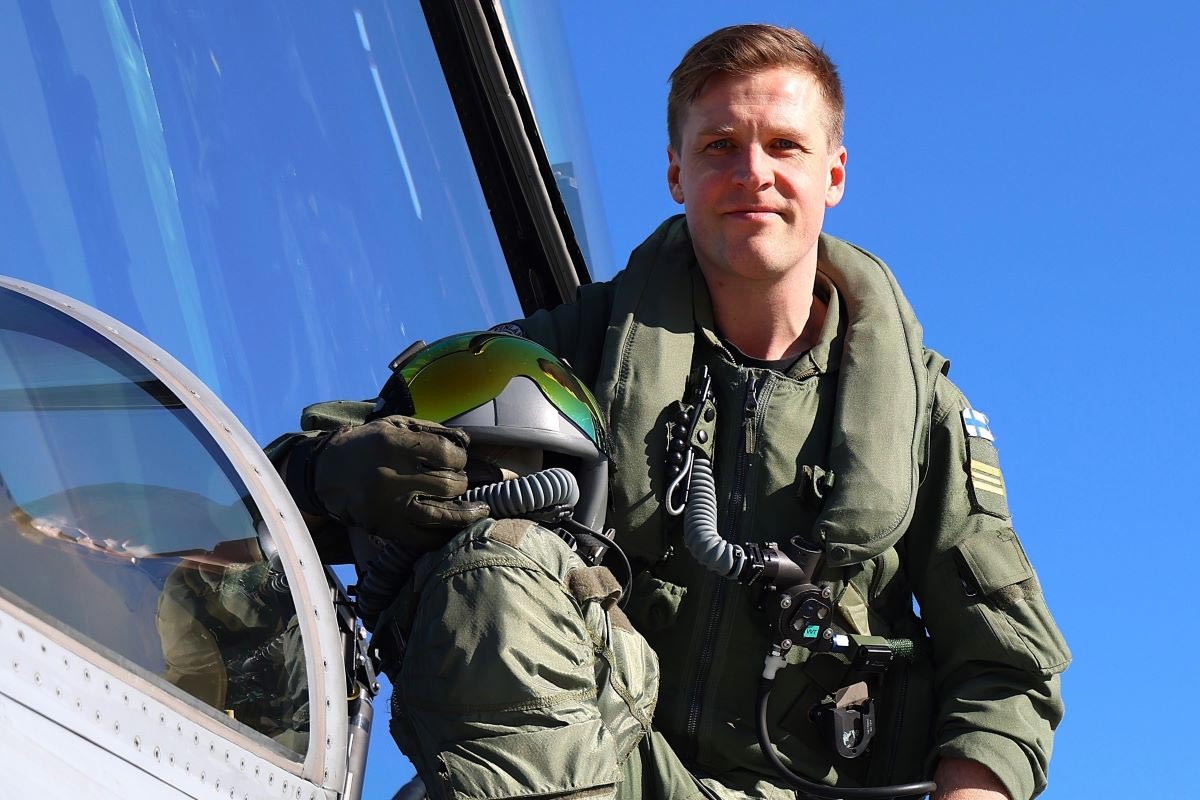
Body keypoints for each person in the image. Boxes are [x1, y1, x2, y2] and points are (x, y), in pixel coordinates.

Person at [271, 24, 1069, 800]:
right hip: (605, 762)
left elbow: (1008, 670)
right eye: (720, 145)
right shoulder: (583, 350)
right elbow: (325, 457)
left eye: (784, 145)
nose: (753, 172)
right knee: (501, 563)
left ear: (834, 174)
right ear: (676, 174)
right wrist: (336, 469)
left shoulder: (921, 418)